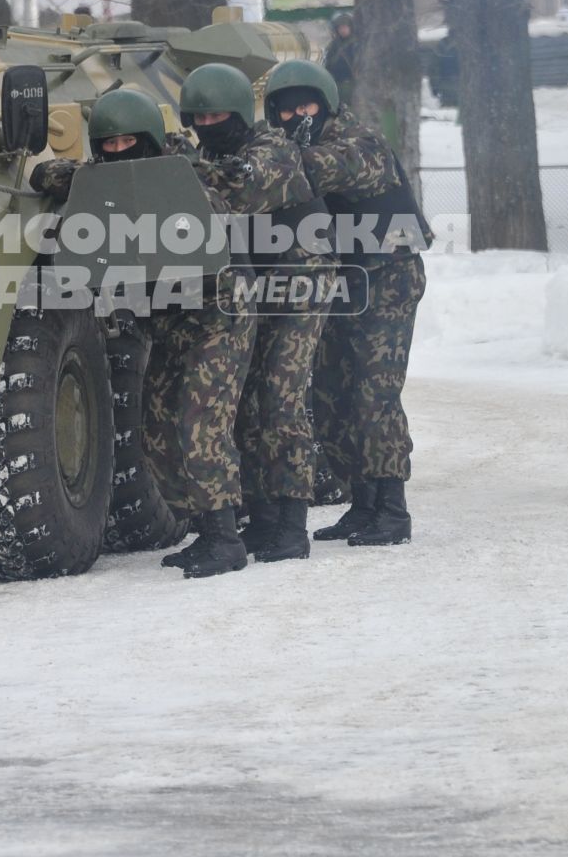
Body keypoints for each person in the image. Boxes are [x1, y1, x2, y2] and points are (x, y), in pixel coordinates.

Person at [30, 89, 258, 578]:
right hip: (168, 320)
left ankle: (225, 537)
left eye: (128, 142)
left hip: (217, 314)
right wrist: (62, 173)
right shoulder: (103, 181)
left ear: (150, 139)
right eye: (107, 146)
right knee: (154, 434)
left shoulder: (187, 173)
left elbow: (220, 206)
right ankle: (203, 524)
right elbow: (52, 174)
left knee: (201, 424)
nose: (118, 153)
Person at [262, 58, 427, 547]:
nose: (298, 117)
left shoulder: (360, 142)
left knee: (375, 396)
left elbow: (338, 167)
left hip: (388, 279)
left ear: (327, 103)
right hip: (339, 283)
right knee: (330, 399)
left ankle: (391, 508)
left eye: (307, 105)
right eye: (286, 111)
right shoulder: (289, 149)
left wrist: (281, 160)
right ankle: (362, 501)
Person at [178, 62, 327, 564]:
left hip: (299, 277)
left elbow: (243, 187)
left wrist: (187, 171)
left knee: (281, 399)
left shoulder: (273, 150)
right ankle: (262, 515)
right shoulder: (205, 155)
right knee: (246, 406)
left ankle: (291, 521)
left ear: (240, 111)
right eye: (200, 117)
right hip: (251, 283)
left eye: (219, 113)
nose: (209, 124)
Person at [323, 10, 360, 103]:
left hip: (353, 82)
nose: (342, 30)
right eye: (340, 28)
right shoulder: (334, 45)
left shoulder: (356, 44)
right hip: (337, 82)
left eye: (345, 27)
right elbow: (328, 63)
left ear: (350, 28)